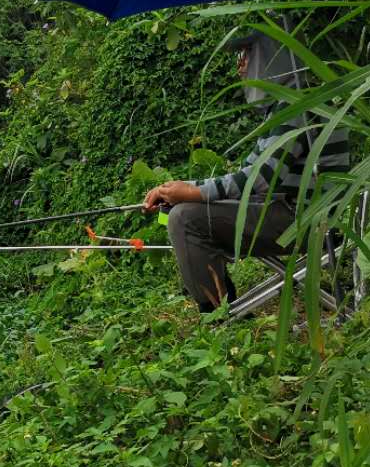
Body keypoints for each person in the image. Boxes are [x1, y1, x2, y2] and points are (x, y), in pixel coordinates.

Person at [143, 32, 350, 312]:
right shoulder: (291, 104)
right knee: (181, 209)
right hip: (296, 213)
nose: (240, 67)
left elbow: (261, 178)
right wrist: (183, 190)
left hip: (309, 223)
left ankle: (216, 315)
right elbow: (247, 175)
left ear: (273, 57)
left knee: (184, 219)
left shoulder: (301, 106)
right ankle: (219, 304)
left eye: (246, 56)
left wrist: (193, 193)